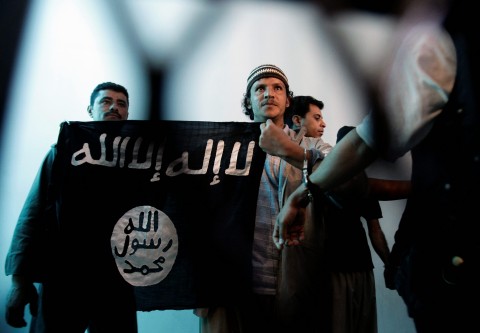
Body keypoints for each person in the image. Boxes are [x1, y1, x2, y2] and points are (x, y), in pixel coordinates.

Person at [273, 0, 480, 331]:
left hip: (432, 261)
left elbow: (363, 189)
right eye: (316, 117)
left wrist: (303, 186)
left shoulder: (436, 42)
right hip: (322, 264)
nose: (323, 123)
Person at [197, 65, 333, 333]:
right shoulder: (223, 150)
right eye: (260, 88)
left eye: (277, 88)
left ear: (288, 100)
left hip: (293, 276)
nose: (269, 93)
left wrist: (287, 149)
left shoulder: (313, 146)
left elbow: (340, 174)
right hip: (235, 280)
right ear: (249, 100)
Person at [4, 82, 138, 333]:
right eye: (106, 101)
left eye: (121, 104)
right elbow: (32, 214)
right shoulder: (63, 154)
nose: (114, 107)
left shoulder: (140, 163)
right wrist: (20, 281)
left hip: (115, 281)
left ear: (128, 114)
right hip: (63, 276)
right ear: (90, 110)